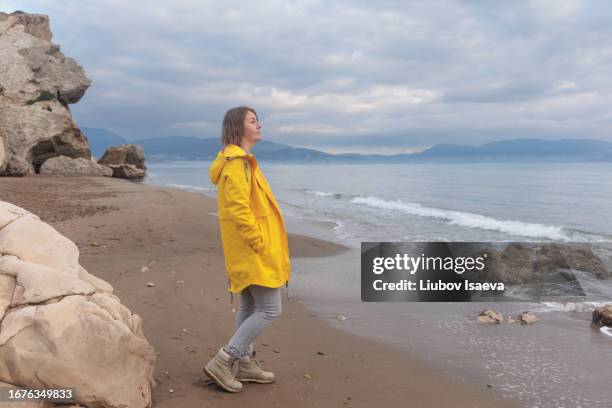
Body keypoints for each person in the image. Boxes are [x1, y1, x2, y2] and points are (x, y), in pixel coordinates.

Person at [205, 106, 291, 392]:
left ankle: (243, 362)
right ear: (238, 128)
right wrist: (259, 241)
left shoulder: (241, 161)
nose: (259, 125)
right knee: (270, 308)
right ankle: (226, 358)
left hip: (247, 250)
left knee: (251, 305)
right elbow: (239, 209)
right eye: (253, 121)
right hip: (252, 250)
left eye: (258, 120)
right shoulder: (236, 163)